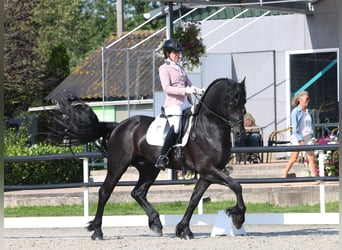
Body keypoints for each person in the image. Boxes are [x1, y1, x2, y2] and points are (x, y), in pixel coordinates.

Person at [155, 38, 204, 170]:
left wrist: (198, 90)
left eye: (178, 52)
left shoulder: (180, 68)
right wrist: (185, 91)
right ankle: (162, 156)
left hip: (185, 103)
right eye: (175, 52)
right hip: (173, 104)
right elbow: (167, 88)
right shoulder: (164, 68)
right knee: (176, 127)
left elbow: (189, 84)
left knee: (198, 117)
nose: (177, 55)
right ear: (167, 53)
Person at [284, 91, 316, 177]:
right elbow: (295, 128)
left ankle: (314, 176)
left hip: (307, 137)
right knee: (294, 157)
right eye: (306, 99)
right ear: (300, 100)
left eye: (308, 99)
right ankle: (284, 174)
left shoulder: (308, 111)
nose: (308, 101)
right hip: (298, 137)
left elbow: (308, 124)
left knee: (311, 156)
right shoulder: (295, 112)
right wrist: (299, 139)